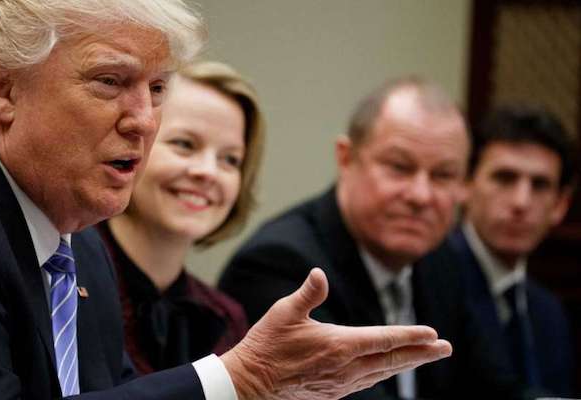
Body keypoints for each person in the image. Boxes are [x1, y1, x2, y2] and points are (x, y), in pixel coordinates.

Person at [0, 1, 452, 399]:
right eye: (110, 82)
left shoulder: (76, 247)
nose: (143, 121)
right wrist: (236, 379)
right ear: (2, 89)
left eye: (157, 89)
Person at [220, 77, 538, 399]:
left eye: (443, 175)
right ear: (346, 158)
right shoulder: (280, 266)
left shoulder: (440, 258)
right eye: (399, 167)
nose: (420, 195)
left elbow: (495, 388)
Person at [97, 60, 262, 374]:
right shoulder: (65, 279)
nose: (208, 172)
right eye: (184, 144)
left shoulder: (226, 318)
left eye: (230, 159)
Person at [447, 105, 577, 396]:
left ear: (560, 205)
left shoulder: (549, 312)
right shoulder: (428, 281)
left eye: (540, 185)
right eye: (505, 178)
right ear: (466, 185)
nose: (521, 202)